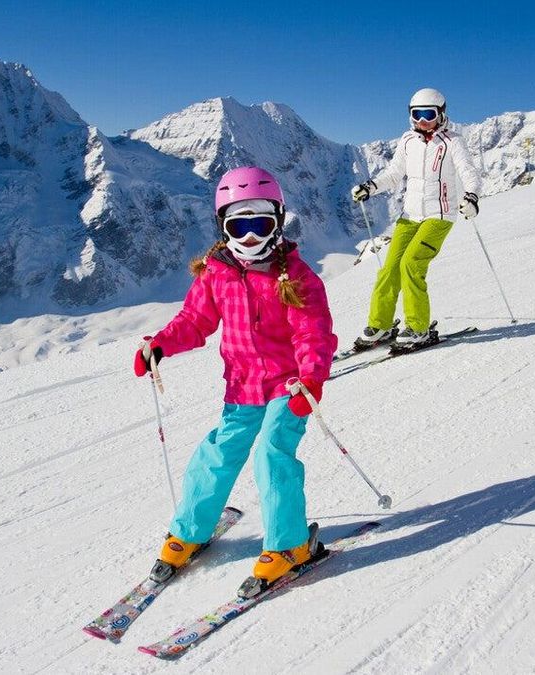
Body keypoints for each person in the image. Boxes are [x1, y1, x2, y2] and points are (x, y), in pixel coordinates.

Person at [133, 166, 337, 597]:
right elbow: (196, 319)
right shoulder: (216, 272)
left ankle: (290, 546)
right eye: (237, 226)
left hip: (290, 386)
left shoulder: (297, 277)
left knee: (271, 452)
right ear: (222, 226)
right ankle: (189, 531)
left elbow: (313, 332)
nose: (248, 237)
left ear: (278, 222)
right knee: (217, 453)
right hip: (242, 385)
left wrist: (312, 379)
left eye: (259, 224)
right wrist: (162, 344)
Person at [350, 87, 482, 351]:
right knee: (390, 269)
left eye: (428, 114)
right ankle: (381, 325)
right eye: (417, 114)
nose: (423, 120)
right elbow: (393, 173)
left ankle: (418, 328)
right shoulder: (408, 141)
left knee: (411, 264)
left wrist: (472, 197)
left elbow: (469, 172)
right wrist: (370, 187)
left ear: (441, 114)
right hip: (409, 216)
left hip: (439, 216)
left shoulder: (452, 142)